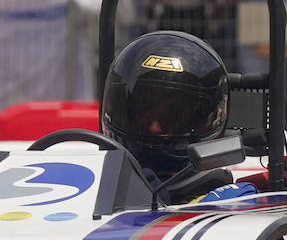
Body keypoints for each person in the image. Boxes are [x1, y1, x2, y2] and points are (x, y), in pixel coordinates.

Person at [100, 30, 255, 204]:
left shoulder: (227, 203)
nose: (154, 127)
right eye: (144, 110)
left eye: (172, 116)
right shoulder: (92, 186)